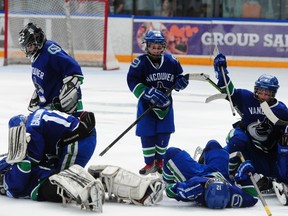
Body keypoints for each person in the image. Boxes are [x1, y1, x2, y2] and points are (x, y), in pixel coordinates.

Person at [213, 53, 288, 203]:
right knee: (237, 139)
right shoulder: (246, 98)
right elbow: (228, 91)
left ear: (273, 93)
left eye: (267, 93)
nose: (262, 95)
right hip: (248, 144)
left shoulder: (281, 110)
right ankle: (227, 172)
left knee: (278, 173)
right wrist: (222, 73)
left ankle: (267, 177)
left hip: (267, 152)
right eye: (260, 91)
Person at [127, 30, 189, 175]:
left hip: (165, 105)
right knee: (147, 133)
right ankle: (149, 163)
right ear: (147, 46)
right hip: (146, 105)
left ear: (164, 46)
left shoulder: (172, 61)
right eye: (152, 47)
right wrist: (145, 92)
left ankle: (160, 161)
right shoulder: (139, 63)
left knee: (164, 132)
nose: (156, 50)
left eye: (158, 47)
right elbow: (132, 80)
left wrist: (180, 82)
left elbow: (179, 77)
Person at [162, 140, 258, 208]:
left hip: (197, 174)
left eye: (210, 183)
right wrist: (245, 175)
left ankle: (167, 179)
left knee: (171, 152)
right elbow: (252, 197)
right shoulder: (233, 194)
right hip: (220, 172)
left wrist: (175, 188)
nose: (214, 180)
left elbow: (170, 191)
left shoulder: (196, 190)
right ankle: (205, 161)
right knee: (213, 144)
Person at [18, 22, 84, 115]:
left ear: (37, 40)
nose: (27, 51)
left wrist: (65, 100)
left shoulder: (49, 50)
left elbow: (74, 70)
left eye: (29, 46)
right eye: (25, 47)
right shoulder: (36, 55)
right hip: (48, 109)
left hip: (65, 110)